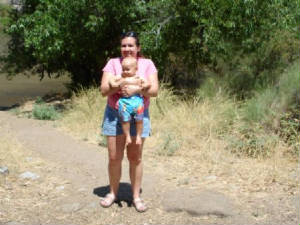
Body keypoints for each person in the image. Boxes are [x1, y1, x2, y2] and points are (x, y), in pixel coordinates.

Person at [100, 31, 159, 212]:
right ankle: (112, 193)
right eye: (124, 45)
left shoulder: (147, 64)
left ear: (138, 47)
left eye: (131, 45)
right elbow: (104, 90)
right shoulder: (112, 63)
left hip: (138, 117)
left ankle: (136, 197)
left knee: (135, 158)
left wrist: (136, 91)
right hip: (114, 115)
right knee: (114, 157)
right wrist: (121, 85)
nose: (127, 49)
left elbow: (154, 91)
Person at [109, 56, 150, 147]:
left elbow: (148, 83)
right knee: (125, 120)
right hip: (124, 103)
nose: (125, 71)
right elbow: (111, 81)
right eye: (123, 69)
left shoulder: (139, 77)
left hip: (137, 102)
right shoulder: (121, 76)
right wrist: (118, 84)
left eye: (127, 69)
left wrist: (142, 87)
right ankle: (127, 136)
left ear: (136, 69)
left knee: (139, 120)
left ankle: (139, 136)